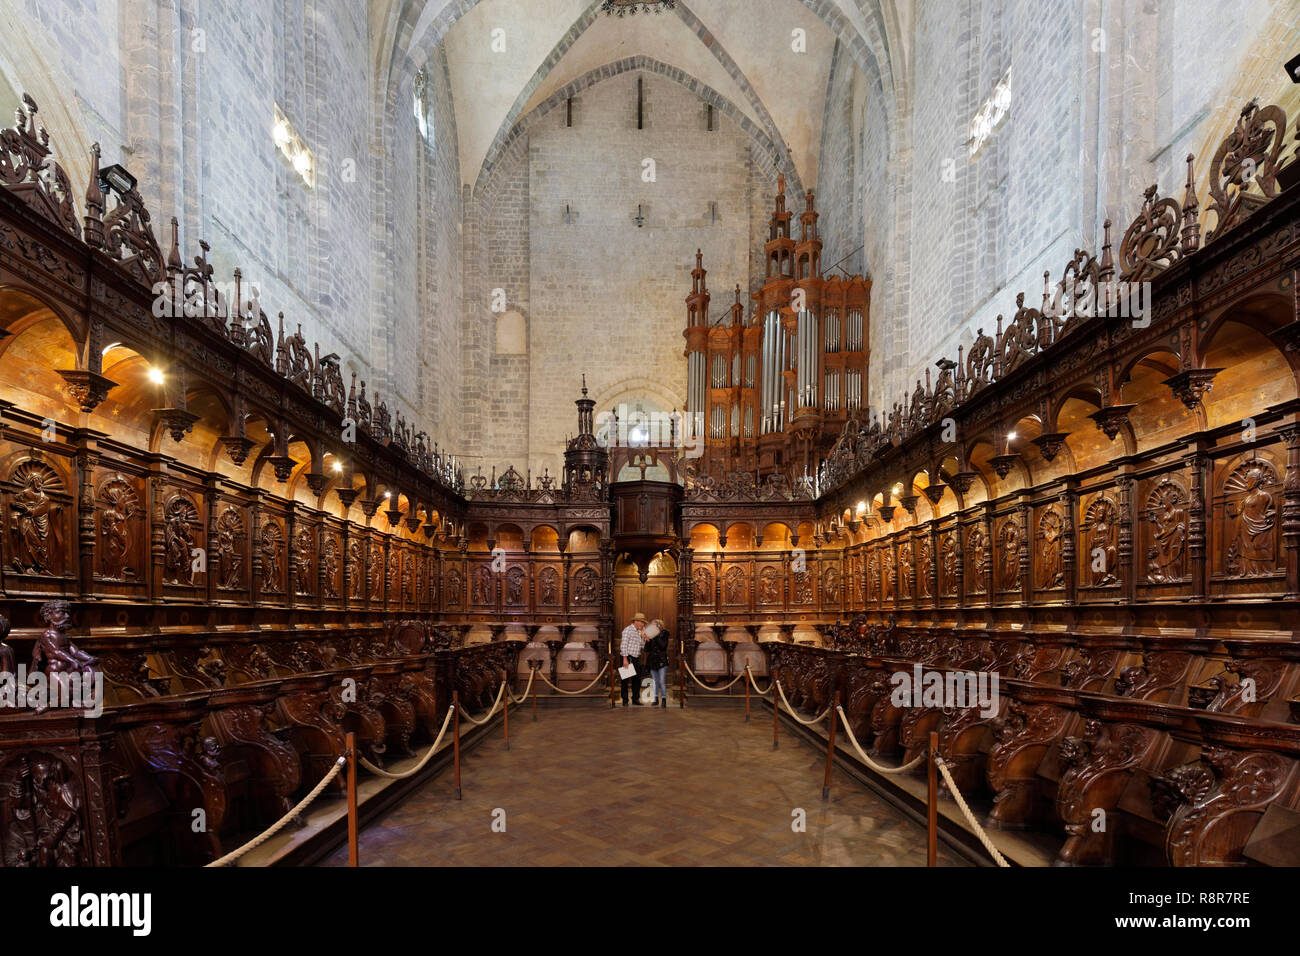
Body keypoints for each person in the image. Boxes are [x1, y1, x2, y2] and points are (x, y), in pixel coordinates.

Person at [619, 612, 647, 707]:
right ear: (636, 621)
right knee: (625, 680)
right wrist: (625, 659)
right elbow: (624, 645)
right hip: (627, 657)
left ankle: (635, 699)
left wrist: (643, 636)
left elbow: (642, 646)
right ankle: (625, 700)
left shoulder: (638, 631)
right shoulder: (628, 630)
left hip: (635, 658)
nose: (643, 624)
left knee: (637, 680)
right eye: (642, 622)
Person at [646, 618, 670, 708]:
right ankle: (655, 699)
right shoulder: (651, 635)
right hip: (653, 661)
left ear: (659, 625)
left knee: (662, 681)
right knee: (655, 682)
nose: (651, 627)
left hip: (662, 661)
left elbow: (663, 646)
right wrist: (648, 641)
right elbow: (646, 650)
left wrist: (655, 636)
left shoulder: (665, 633)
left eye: (653, 625)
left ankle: (664, 700)